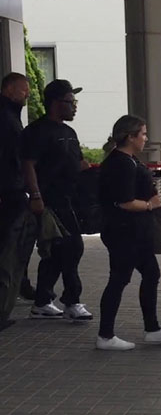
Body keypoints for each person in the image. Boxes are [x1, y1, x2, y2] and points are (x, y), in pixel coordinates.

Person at [95, 115, 161, 350]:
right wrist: (151, 204)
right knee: (119, 279)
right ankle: (105, 335)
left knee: (151, 273)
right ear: (130, 137)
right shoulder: (120, 164)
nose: (146, 138)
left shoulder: (127, 160)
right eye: (142, 134)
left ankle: (152, 328)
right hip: (124, 232)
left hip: (134, 232)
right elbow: (125, 202)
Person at [21, 79, 93, 321]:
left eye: (75, 102)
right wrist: (36, 195)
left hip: (71, 198)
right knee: (73, 247)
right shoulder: (37, 131)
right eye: (70, 102)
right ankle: (72, 300)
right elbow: (28, 164)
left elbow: (78, 162)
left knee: (56, 251)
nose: (75, 107)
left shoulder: (69, 132)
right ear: (55, 103)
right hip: (51, 201)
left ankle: (42, 301)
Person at [0, 73, 36, 330]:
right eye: (24, 90)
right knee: (8, 251)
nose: (27, 95)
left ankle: (17, 288)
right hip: (9, 195)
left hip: (11, 192)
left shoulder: (11, 118)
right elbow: (11, 159)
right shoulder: (7, 120)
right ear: (10, 89)